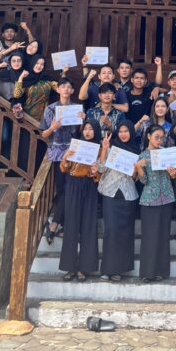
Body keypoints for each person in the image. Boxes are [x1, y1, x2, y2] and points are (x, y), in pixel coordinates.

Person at [59, 118, 102, 281]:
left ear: (95, 131)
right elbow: (64, 169)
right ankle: (69, 267)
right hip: (73, 185)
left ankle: (85, 267)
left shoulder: (99, 150)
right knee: (71, 225)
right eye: (85, 129)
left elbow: (100, 175)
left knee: (88, 226)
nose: (88, 132)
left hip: (89, 187)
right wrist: (66, 158)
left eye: (91, 129)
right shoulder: (74, 146)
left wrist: (95, 172)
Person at [98, 120, 141, 281]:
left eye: (126, 131)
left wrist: (136, 170)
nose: (123, 134)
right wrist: (104, 148)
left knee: (125, 232)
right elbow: (101, 169)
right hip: (110, 193)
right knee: (111, 230)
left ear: (131, 132)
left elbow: (136, 178)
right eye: (121, 131)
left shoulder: (137, 151)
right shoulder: (111, 149)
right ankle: (107, 269)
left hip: (128, 195)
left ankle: (119, 270)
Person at [39, 77, 79, 244]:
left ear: (72, 91)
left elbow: (81, 133)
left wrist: (82, 120)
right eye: (63, 87)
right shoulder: (50, 109)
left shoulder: (76, 108)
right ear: (58, 89)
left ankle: (55, 224)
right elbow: (43, 134)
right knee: (62, 189)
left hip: (73, 153)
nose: (66, 89)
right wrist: (52, 128)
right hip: (57, 154)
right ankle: (58, 224)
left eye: (69, 87)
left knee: (70, 189)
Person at [135, 125, 176, 282]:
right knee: (149, 236)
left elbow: (173, 177)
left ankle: (161, 271)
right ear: (148, 136)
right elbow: (143, 181)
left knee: (163, 236)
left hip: (166, 198)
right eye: (156, 137)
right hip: (149, 200)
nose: (159, 140)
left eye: (162, 137)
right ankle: (147, 272)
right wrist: (139, 168)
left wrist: (173, 174)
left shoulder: (167, 154)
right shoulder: (143, 155)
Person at [12, 55, 59, 122]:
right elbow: (17, 95)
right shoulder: (27, 78)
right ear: (32, 63)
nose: (39, 66)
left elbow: (60, 89)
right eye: (37, 63)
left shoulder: (47, 80)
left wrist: (64, 73)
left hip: (43, 117)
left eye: (42, 64)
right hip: (27, 116)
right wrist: (21, 77)